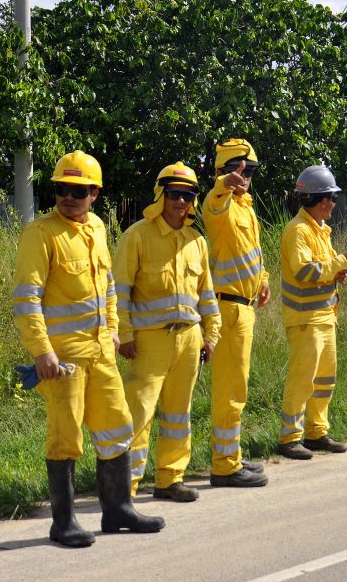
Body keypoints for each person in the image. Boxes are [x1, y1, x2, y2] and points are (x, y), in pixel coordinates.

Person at [12, 150, 164, 548]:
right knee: (66, 438)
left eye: (78, 190)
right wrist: (42, 352)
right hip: (64, 362)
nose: (68, 197)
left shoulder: (96, 226)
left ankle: (118, 510)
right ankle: (63, 523)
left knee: (117, 428)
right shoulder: (40, 235)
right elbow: (27, 300)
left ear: (95, 193)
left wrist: (113, 329)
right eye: (62, 188)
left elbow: (109, 288)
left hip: (102, 354)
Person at [113, 163, 221, 502]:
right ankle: (124, 488)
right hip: (148, 342)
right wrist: (125, 334)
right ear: (161, 195)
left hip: (189, 339)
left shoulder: (196, 242)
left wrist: (211, 334)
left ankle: (169, 479)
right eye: (174, 194)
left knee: (178, 413)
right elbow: (119, 292)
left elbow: (206, 292)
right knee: (139, 413)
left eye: (187, 196)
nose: (180, 201)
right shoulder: (138, 236)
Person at [200, 139, 270, 488]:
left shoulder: (245, 206)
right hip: (228, 309)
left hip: (244, 307)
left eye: (251, 170)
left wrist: (264, 279)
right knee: (230, 390)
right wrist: (221, 186)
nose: (246, 177)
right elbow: (211, 208)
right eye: (241, 170)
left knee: (238, 388)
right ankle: (224, 466)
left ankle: (232, 457)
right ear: (225, 172)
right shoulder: (222, 203)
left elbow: (250, 251)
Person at [276, 165, 347, 459]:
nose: (334, 204)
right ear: (320, 199)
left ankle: (316, 432)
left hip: (324, 317)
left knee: (324, 380)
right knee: (303, 379)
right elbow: (304, 271)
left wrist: (335, 273)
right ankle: (289, 438)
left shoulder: (319, 230)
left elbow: (319, 271)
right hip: (305, 319)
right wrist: (339, 262)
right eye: (332, 198)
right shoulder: (297, 231)